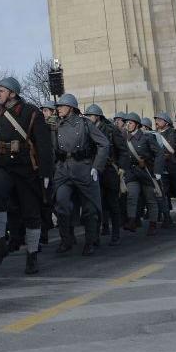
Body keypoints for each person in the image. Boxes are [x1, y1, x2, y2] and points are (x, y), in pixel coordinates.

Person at [0, 76, 53, 273]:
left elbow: (44, 145)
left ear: (12, 93)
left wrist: (46, 172)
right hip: (3, 166)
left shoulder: (31, 112)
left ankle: (32, 255)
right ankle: (0, 242)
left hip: (26, 169)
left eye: (1, 90)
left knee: (31, 212)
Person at [51, 94, 109, 256]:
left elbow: (104, 144)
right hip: (63, 170)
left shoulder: (85, 124)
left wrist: (96, 167)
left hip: (83, 169)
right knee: (61, 203)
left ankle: (90, 241)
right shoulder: (56, 125)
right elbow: (52, 150)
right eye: (58, 106)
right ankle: (66, 239)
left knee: (90, 208)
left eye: (62, 106)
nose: (58, 109)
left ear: (71, 108)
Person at [84, 104, 125, 246]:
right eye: (87, 116)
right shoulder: (86, 130)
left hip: (109, 170)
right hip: (94, 171)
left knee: (113, 203)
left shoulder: (111, 130)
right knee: (96, 204)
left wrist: (122, 167)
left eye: (90, 116)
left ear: (98, 116)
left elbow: (122, 150)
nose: (88, 119)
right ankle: (96, 234)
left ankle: (116, 234)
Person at [121, 113, 160, 236]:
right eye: (127, 123)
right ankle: (132, 221)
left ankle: (153, 224)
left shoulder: (146, 137)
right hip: (132, 173)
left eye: (131, 123)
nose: (128, 125)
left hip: (145, 173)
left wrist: (156, 170)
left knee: (150, 200)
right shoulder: (125, 138)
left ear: (137, 125)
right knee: (131, 197)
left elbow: (158, 154)